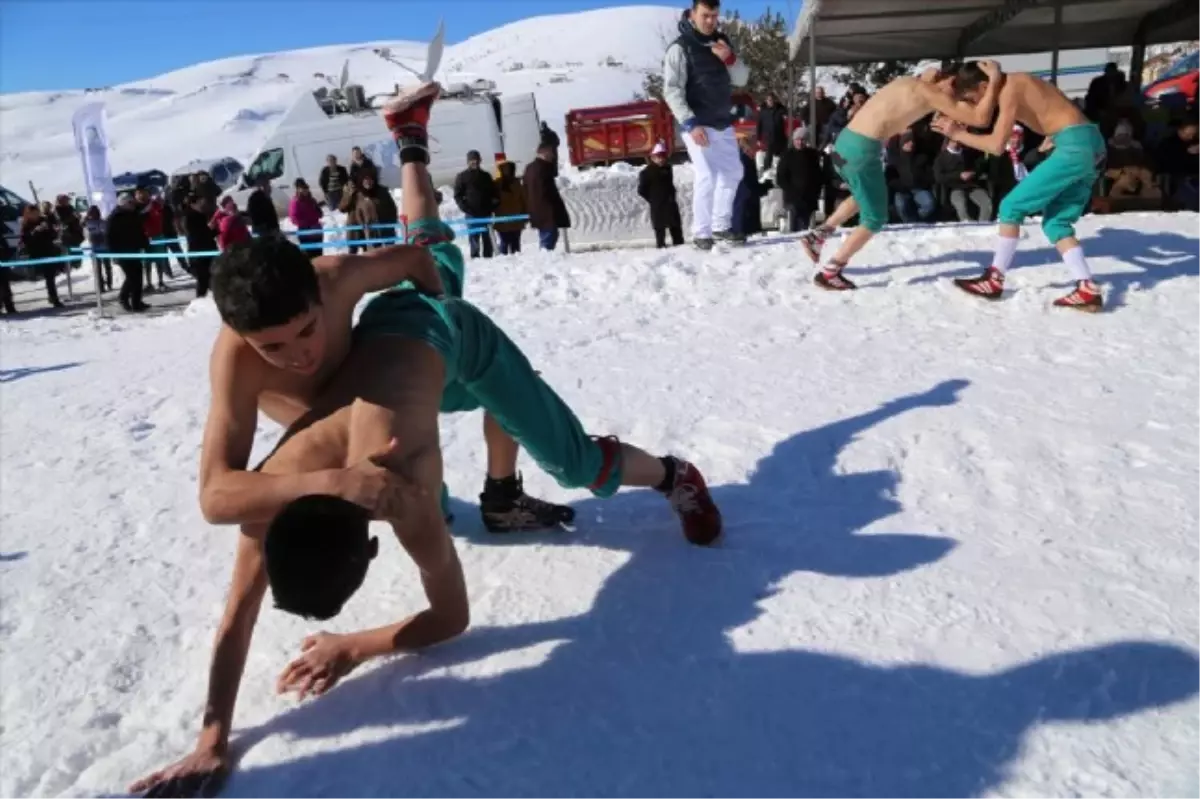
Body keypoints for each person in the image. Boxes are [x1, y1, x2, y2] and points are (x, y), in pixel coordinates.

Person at [130, 81, 722, 797]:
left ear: (321, 298)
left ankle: (670, 474)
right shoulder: (274, 455)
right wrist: (211, 736)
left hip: (446, 340)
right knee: (428, 289)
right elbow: (221, 512)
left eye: (305, 333)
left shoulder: (340, 279)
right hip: (387, 373)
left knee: (570, 458)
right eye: (271, 347)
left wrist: (444, 325)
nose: (294, 358)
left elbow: (449, 614)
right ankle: (409, 139)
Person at [798, 60, 1003, 289]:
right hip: (863, 149)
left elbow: (925, 84)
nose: (956, 97)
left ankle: (818, 235)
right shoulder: (933, 94)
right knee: (875, 218)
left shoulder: (910, 82)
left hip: (846, 141)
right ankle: (830, 272)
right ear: (951, 81)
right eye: (959, 91)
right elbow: (980, 119)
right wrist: (994, 81)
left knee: (864, 194)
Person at [933, 63, 1108, 312]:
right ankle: (1086, 289)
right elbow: (1060, 107)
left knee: (1010, 206)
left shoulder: (1010, 89)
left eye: (975, 99)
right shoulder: (1023, 79)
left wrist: (956, 134)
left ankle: (994, 280)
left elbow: (995, 145)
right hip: (1091, 142)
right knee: (1056, 222)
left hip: (1073, 145)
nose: (978, 106)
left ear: (985, 86)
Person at [662, 0, 750, 250]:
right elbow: (672, 91)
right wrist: (690, 123)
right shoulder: (680, 49)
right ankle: (701, 232)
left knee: (733, 172)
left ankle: (721, 227)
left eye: (714, 15)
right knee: (708, 174)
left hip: (723, 121)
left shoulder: (721, 43)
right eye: (705, 15)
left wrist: (729, 58)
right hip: (698, 123)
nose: (710, 21)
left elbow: (742, 78)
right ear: (692, 15)